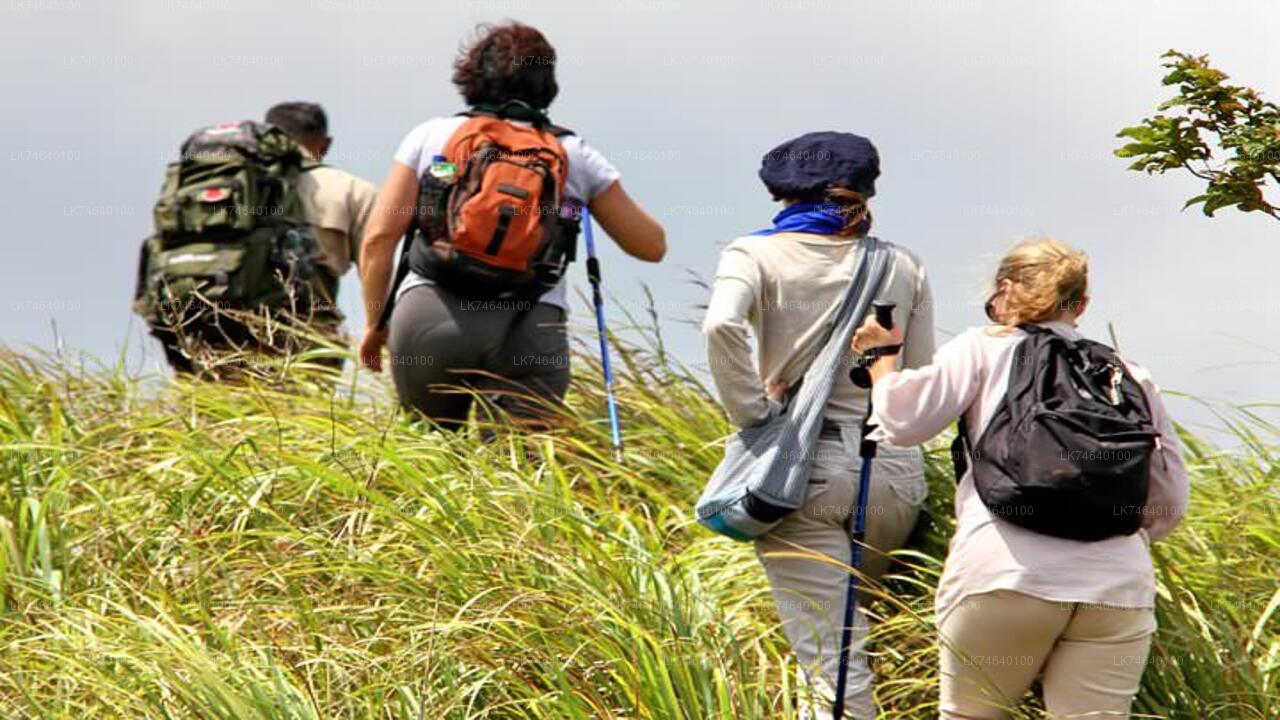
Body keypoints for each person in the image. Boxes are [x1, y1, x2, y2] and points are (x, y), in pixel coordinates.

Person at [851, 237, 1190, 719]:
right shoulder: (1129, 375)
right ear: (1083, 304)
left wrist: (882, 361)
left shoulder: (982, 349)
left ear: (1004, 289)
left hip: (1005, 577)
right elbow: (1169, 502)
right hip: (1117, 588)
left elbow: (905, 423)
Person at [702, 131, 935, 719]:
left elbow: (720, 328)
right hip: (893, 475)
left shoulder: (752, 254)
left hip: (798, 478)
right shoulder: (902, 264)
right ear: (866, 187)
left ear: (780, 189)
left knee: (832, 670)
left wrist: (753, 416)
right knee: (856, 636)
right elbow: (921, 374)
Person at [357, 22, 665, 429]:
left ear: (473, 74)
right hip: (529, 324)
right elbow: (650, 246)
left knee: (428, 457)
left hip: (431, 316)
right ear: (547, 83)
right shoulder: (573, 153)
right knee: (518, 468)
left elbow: (379, 239)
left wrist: (376, 323)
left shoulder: (431, 137)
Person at [146, 103, 376, 375]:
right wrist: (378, 330)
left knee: (213, 413)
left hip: (207, 327)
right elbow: (376, 262)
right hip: (299, 337)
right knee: (297, 414)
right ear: (325, 144)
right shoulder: (350, 189)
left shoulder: (210, 184)